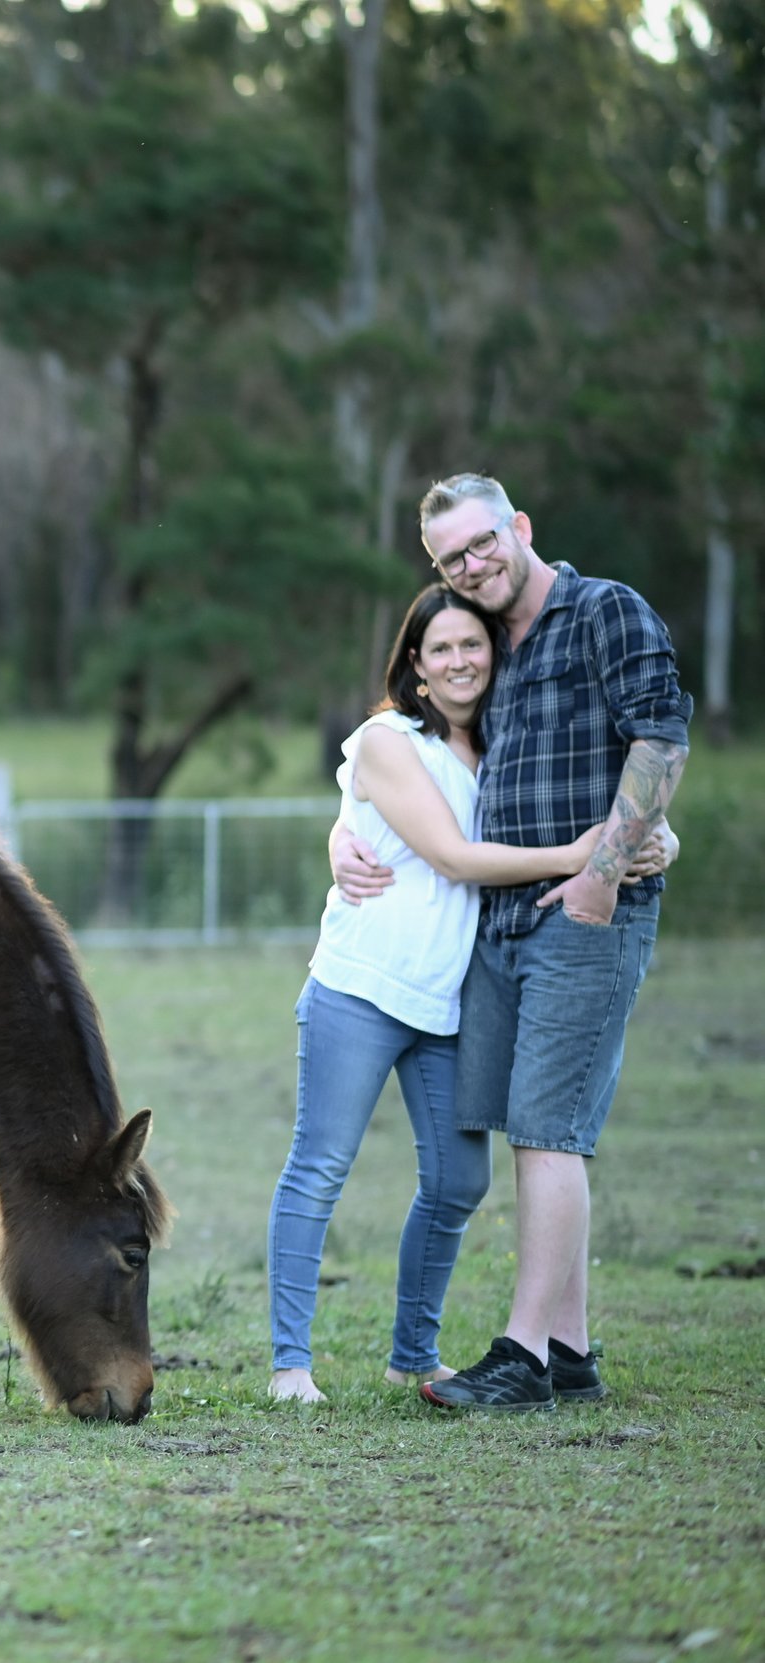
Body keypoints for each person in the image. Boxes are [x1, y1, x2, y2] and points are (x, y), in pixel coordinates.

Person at [333, 473, 690, 1413]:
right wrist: (343, 831)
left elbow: (661, 741)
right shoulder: (492, 643)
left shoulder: (604, 611)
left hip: (584, 911)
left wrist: (606, 872)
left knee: (548, 1130)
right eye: (452, 558)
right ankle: (569, 1347)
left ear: (519, 527)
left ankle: (523, 1354)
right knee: (530, 1128)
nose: (473, 564)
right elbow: (412, 756)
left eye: (484, 543)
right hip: (501, 923)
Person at [269, 586, 610, 1405]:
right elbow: (453, 857)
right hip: (362, 985)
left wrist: (638, 835)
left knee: (461, 1181)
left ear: (495, 655)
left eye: (474, 645)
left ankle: (413, 1355)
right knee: (319, 1170)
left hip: (448, 1000)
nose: (460, 660)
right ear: (416, 665)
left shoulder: (504, 747)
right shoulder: (389, 739)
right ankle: (290, 1365)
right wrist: (576, 856)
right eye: (442, 648)